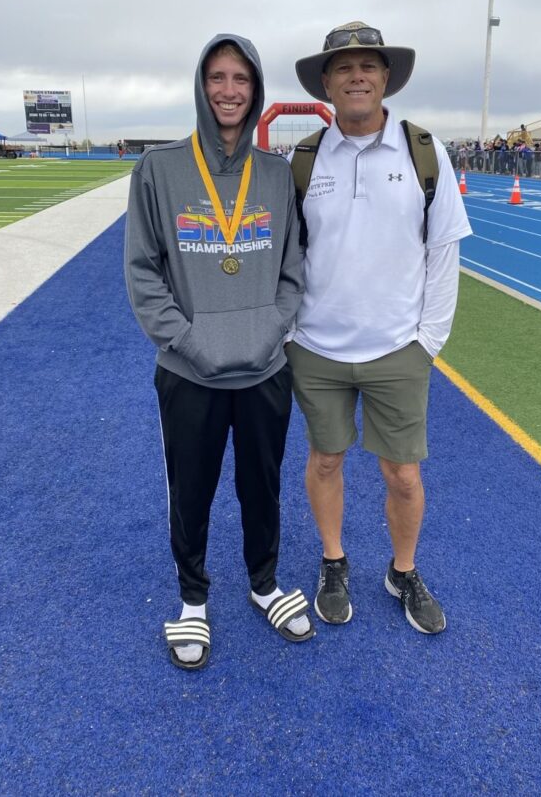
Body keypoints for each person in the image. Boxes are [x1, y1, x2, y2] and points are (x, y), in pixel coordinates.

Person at [124, 34, 314, 670]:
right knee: (192, 487)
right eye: (217, 78)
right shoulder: (160, 169)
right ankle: (193, 600)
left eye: (241, 79)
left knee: (261, 486)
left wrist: (272, 331)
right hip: (188, 370)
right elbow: (143, 271)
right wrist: (186, 340)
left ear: (255, 89)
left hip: (264, 366)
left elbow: (292, 268)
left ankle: (263, 585)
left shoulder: (276, 175)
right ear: (201, 86)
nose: (229, 90)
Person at [286, 21, 472, 635]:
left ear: (386, 77)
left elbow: (444, 250)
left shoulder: (425, 151)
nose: (357, 75)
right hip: (316, 347)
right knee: (325, 460)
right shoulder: (305, 159)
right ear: (327, 84)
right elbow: (289, 254)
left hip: (398, 347)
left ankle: (403, 570)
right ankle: (334, 561)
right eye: (344, 68)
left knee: (404, 474)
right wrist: (290, 333)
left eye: (368, 65)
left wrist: (428, 343)